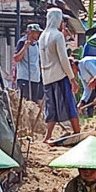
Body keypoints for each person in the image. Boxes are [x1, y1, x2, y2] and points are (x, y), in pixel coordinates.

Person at [39, 8, 80, 143]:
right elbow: (63, 59)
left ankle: (48, 135)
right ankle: (77, 132)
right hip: (59, 76)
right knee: (69, 105)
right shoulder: (58, 36)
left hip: (46, 77)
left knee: (52, 107)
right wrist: (72, 79)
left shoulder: (42, 36)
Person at [72, 57, 96, 129]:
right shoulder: (80, 73)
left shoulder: (86, 63)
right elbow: (87, 89)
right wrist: (82, 102)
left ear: (73, 65)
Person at [13, 23, 43, 102]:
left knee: (34, 103)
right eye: (36, 32)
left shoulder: (38, 44)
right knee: (24, 102)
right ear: (30, 32)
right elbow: (16, 58)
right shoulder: (22, 42)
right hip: (25, 77)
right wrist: (25, 47)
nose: (38, 34)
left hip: (35, 78)